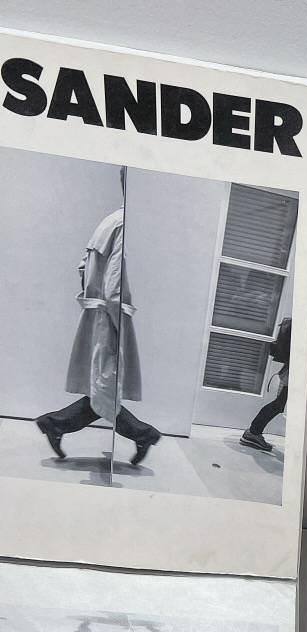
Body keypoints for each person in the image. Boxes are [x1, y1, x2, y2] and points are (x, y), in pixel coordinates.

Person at [35, 167, 161, 466]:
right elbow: (114, 288)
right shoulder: (124, 224)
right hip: (109, 316)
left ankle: (59, 424)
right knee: (106, 386)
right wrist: (117, 325)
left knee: (104, 385)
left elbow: (82, 267)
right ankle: (139, 433)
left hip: (99, 315)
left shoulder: (109, 221)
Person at [240, 315, 291, 453]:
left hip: (291, 371)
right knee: (279, 405)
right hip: (295, 373)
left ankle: (253, 432)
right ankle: (253, 432)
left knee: (279, 405)